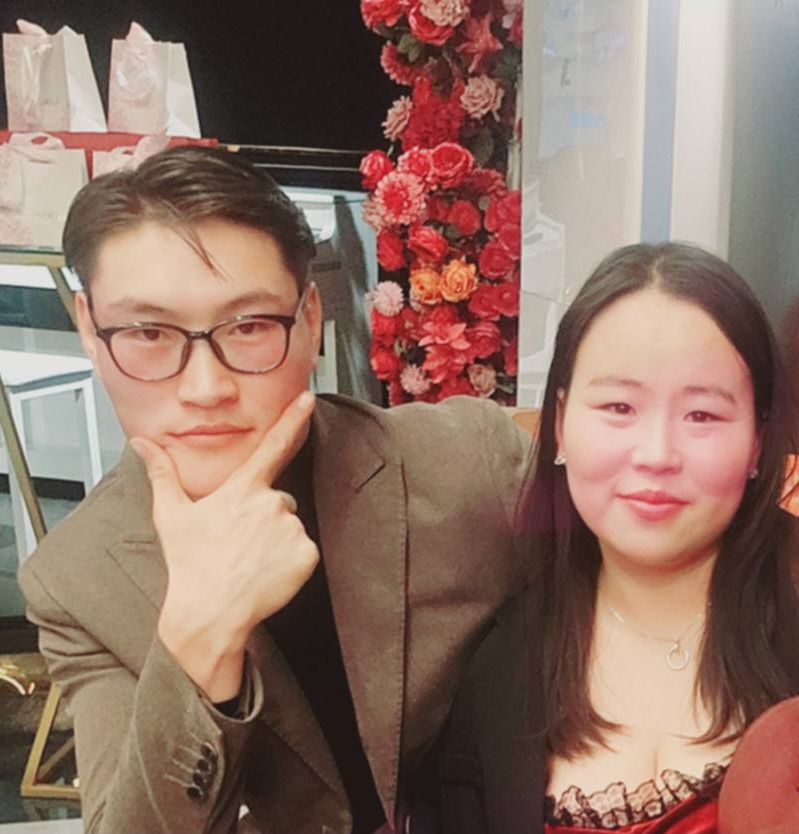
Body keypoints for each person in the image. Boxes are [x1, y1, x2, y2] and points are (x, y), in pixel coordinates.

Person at [17, 146, 535, 834]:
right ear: (89, 328)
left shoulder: (466, 466)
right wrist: (200, 636)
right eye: (147, 332)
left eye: (250, 326)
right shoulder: (79, 579)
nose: (205, 387)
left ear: (311, 319)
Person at [425, 242, 799, 834]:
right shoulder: (497, 669)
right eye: (620, 407)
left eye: (702, 415)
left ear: (757, 441)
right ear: (560, 423)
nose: (657, 454)